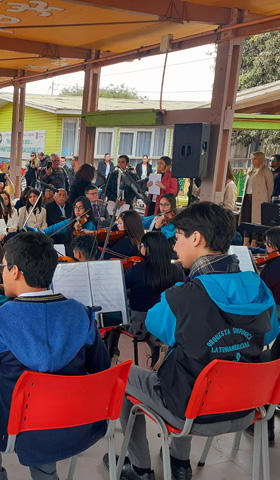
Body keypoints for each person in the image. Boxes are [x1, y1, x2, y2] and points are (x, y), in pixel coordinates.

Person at [107, 202, 279, 480]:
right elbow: (268, 334)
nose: (174, 247)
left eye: (177, 238)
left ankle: (140, 468)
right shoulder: (258, 285)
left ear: (196, 238)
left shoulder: (183, 296)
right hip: (247, 406)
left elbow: (156, 326)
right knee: (192, 365)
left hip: (194, 412)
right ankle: (179, 463)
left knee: (126, 376)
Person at [0, 232, 110, 479]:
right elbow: (101, 365)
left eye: (3, 267)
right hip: (75, 420)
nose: (2, 273)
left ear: (15, 271)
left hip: (17, 424)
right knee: (49, 395)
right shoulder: (81, 313)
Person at [124, 231, 183, 364]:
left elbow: (123, 289)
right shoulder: (177, 270)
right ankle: (158, 347)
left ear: (148, 249)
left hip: (140, 322)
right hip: (166, 320)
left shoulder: (135, 270)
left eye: (142, 246)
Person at [241, 152, 274, 246]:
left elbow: (270, 187)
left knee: (256, 220)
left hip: (259, 199)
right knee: (246, 218)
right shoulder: (251, 170)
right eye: (252, 159)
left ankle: (254, 242)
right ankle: (246, 241)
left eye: (254, 159)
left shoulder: (266, 171)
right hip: (248, 197)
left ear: (260, 159)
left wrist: (265, 199)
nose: (252, 161)